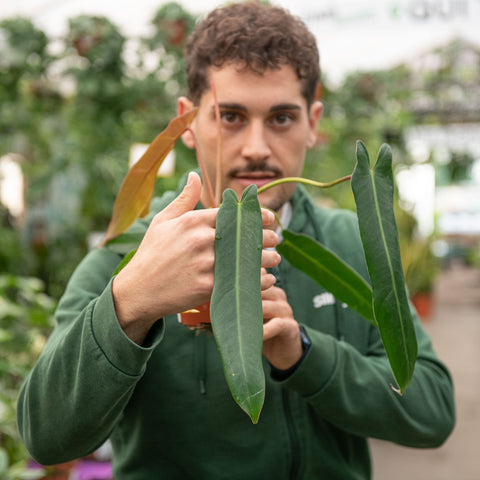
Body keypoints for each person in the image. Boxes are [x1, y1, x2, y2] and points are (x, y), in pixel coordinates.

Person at [17, 2, 455, 479]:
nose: (256, 147)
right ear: (187, 121)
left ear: (313, 122)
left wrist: (305, 354)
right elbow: (46, 435)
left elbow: (431, 411)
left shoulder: (350, 244)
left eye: (282, 118)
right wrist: (131, 304)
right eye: (231, 117)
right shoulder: (128, 258)